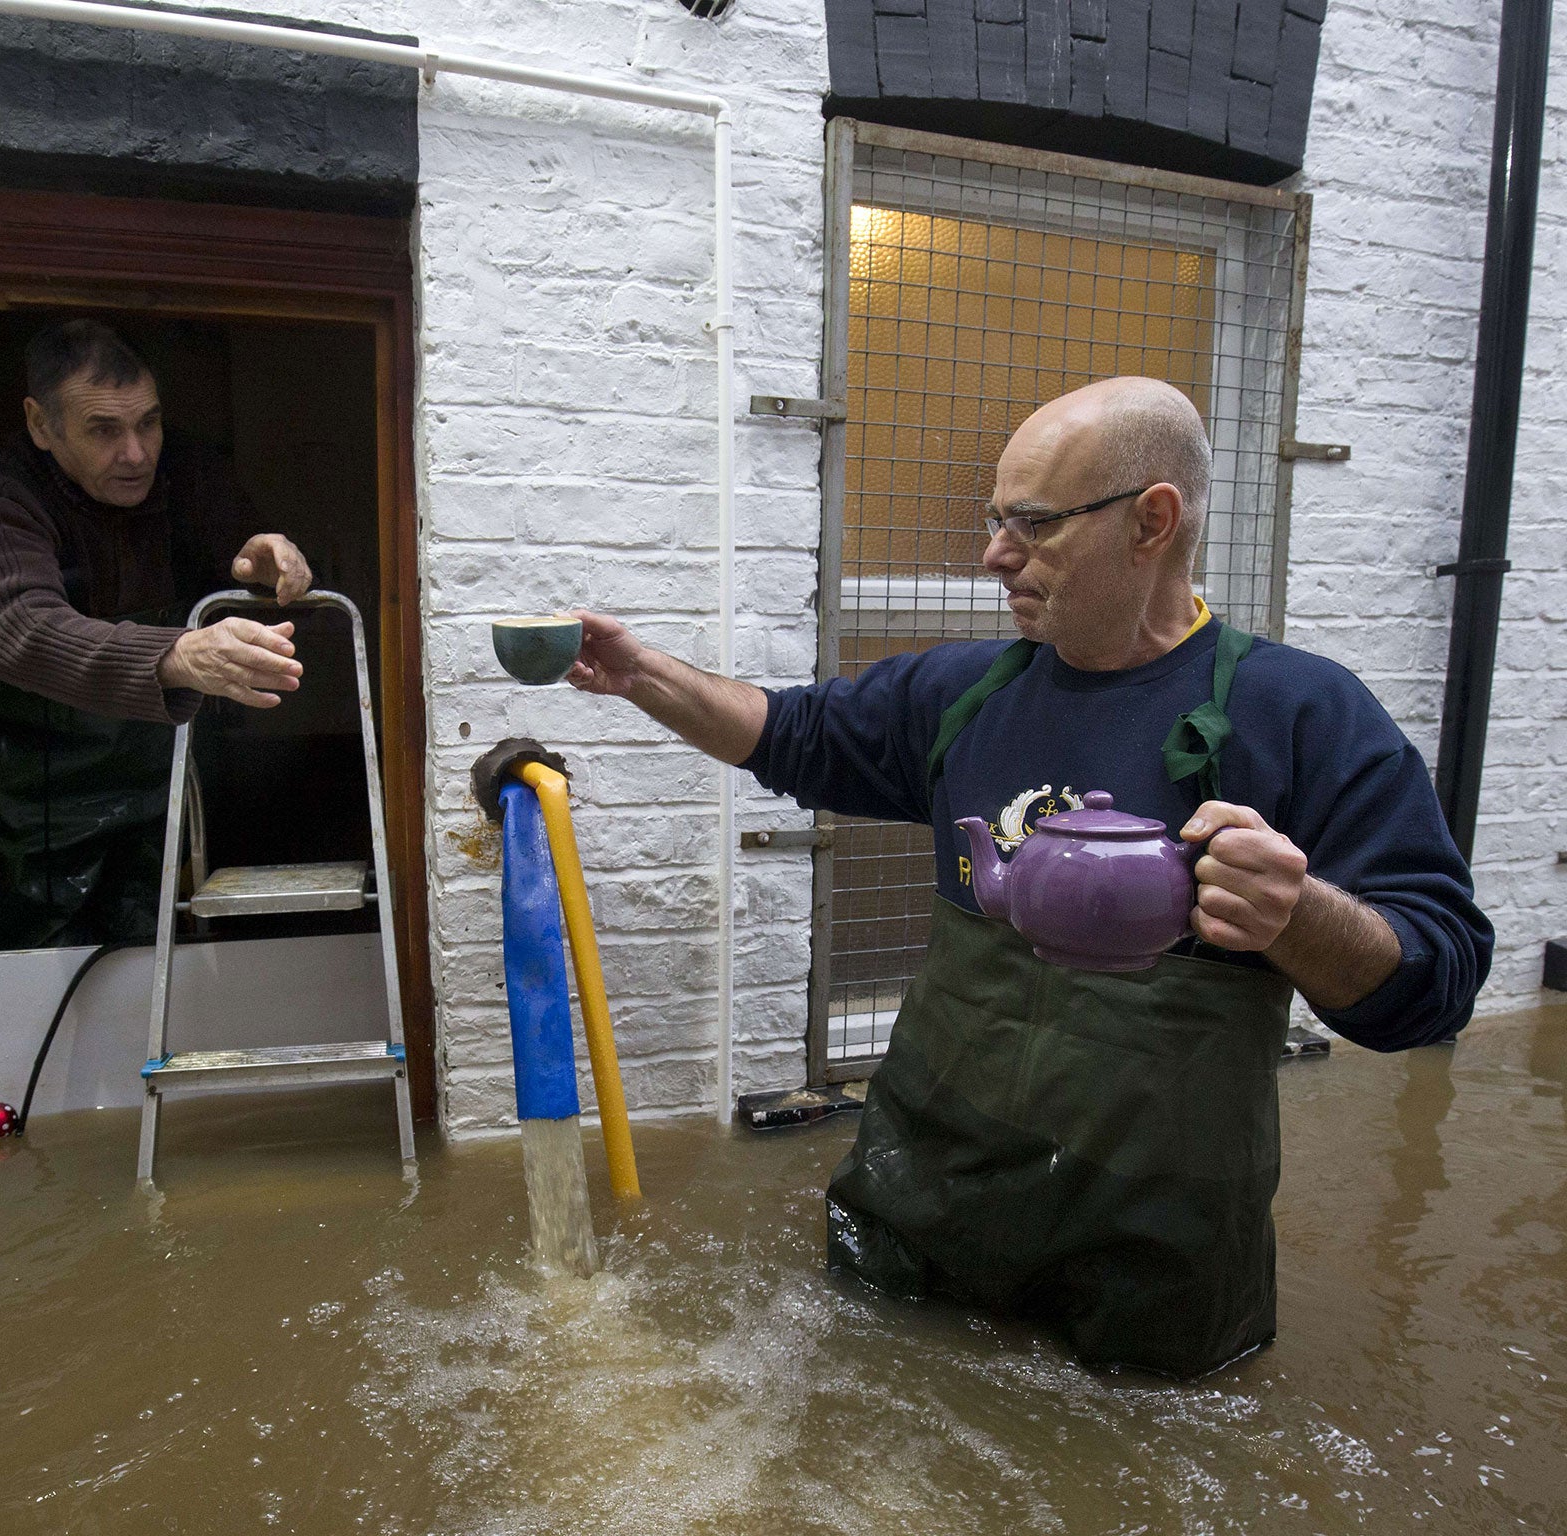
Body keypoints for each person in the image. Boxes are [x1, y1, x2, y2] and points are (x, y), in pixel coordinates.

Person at [564, 376, 1492, 1377]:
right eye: (993, 520)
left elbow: (1431, 988)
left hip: (1154, 1253)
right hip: (925, 1204)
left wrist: (1296, 915)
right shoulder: (964, 694)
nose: (992, 554)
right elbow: (787, 733)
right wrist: (641, 674)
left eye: (1033, 524)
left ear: (1150, 522)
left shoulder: (1299, 714)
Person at [0, 318, 312, 948]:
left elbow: (256, 568)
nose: (137, 452)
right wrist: (174, 654)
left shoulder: (188, 472)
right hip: (39, 806)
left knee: (181, 967)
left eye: (149, 422)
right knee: (55, 988)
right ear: (41, 424)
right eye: (103, 430)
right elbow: (19, 628)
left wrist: (265, 568)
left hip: (169, 785)